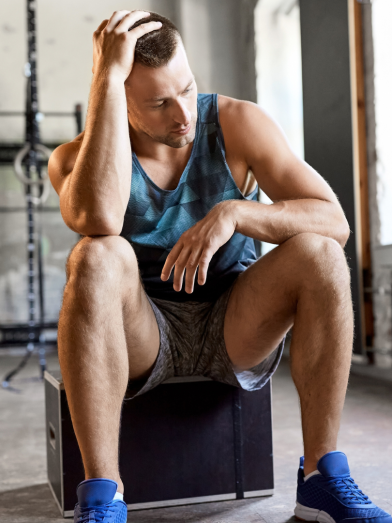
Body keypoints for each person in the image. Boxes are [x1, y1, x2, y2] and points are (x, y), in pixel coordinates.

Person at [48, 10, 391, 523]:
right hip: (144, 335)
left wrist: (236, 213)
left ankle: (322, 478)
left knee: (320, 252)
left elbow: (333, 220)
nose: (183, 114)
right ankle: (102, 496)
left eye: (186, 89)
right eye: (159, 103)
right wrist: (105, 81)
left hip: (236, 323)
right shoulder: (74, 158)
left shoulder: (236, 122)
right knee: (96, 253)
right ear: (117, 96)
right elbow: (95, 217)